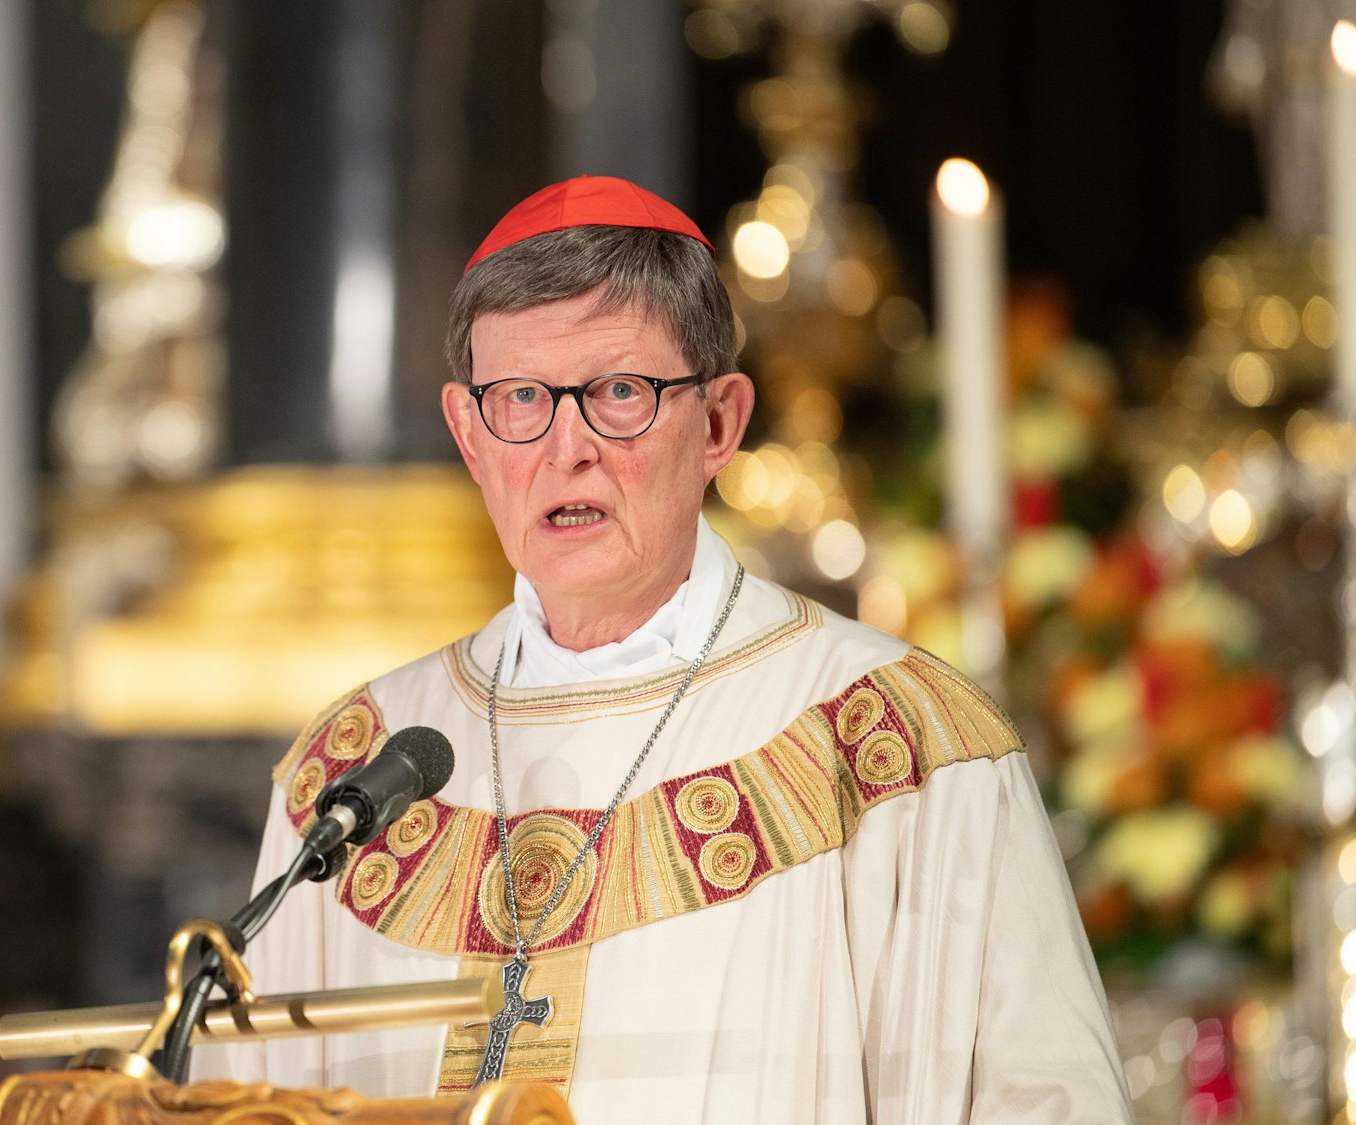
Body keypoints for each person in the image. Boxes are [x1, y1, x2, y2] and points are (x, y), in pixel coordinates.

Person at [193, 176, 1132, 1122]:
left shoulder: (899, 745)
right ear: (469, 433)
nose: (568, 449)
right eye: (520, 398)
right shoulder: (354, 773)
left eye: (617, 393)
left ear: (719, 421)